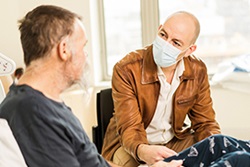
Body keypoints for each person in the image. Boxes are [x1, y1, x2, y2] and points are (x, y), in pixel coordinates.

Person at [0, 5, 184, 167]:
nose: (85, 56)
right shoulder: (32, 113)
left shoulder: (47, 105)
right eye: (82, 47)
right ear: (64, 49)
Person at [102, 11, 221, 166]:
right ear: (159, 29)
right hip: (131, 146)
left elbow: (205, 123)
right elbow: (130, 129)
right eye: (163, 35)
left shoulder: (197, 70)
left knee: (213, 152)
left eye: (176, 43)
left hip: (174, 141)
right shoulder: (127, 68)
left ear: (190, 50)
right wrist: (143, 151)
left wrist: (214, 149)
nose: (166, 44)